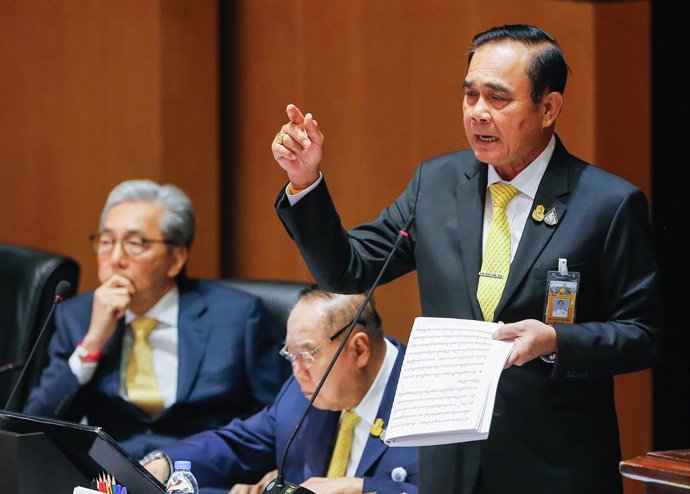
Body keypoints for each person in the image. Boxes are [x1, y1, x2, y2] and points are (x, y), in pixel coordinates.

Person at [269, 24, 663, 494]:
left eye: (498, 99)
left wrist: (558, 339)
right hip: (450, 465)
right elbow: (348, 270)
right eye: (470, 95)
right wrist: (305, 181)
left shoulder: (607, 203)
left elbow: (645, 335)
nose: (478, 113)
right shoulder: (435, 184)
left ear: (548, 107)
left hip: (554, 467)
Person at [24, 179, 288, 459]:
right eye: (106, 241)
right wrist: (92, 343)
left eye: (135, 244)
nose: (115, 258)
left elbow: (276, 416)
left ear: (176, 259)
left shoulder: (236, 316)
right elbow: (36, 425)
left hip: (206, 478)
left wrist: (268, 472)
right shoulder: (77, 316)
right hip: (110, 481)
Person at [143, 287, 418, 494]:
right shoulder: (302, 393)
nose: (298, 371)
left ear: (359, 349)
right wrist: (165, 465)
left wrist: (362, 487)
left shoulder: (432, 400)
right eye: (291, 356)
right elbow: (238, 444)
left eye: (307, 355)